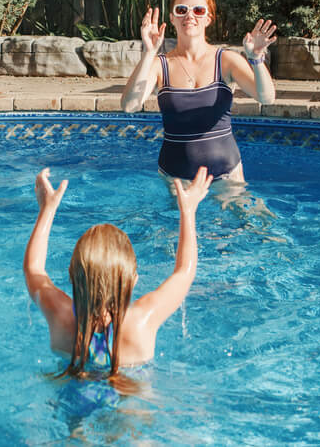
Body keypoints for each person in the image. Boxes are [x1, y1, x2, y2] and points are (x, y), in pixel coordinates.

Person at [23, 166, 212, 388]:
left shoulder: (60, 314)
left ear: (71, 275)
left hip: (72, 392)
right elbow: (184, 273)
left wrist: (47, 209)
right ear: (134, 280)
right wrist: (188, 211)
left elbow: (33, 269)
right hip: (131, 400)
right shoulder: (142, 320)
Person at [121, 0, 277, 183]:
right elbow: (129, 106)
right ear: (171, 18)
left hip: (228, 177)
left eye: (198, 10)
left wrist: (255, 58)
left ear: (208, 18)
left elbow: (266, 98)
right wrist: (149, 52)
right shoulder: (159, 65)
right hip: (175, 179)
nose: (189, 16)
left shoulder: (226, 60)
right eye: (181, 10)